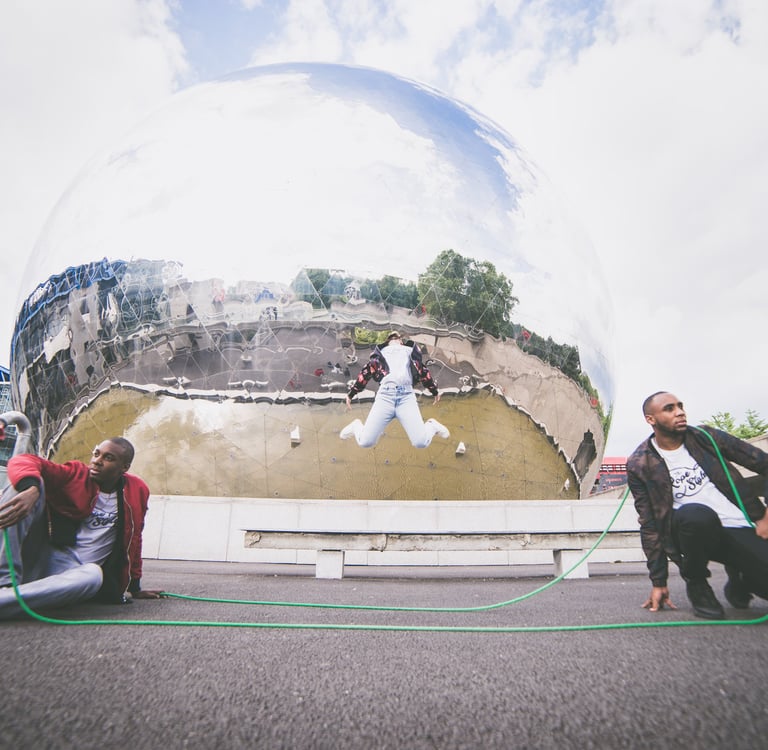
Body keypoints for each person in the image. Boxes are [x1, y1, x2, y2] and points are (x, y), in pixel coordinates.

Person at [626, 391, 768, 619]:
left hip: (743, 526)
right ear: (650, 419)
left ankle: (741, 582)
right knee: (696, 515)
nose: (680, 412)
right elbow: (650, 524)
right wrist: (658, 581)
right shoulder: (640, 463)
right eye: (669, 408)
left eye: (680, 406)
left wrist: (766, 515)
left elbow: (764, 463)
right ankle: (697, 584)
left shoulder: (706, 437)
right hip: (693, 531)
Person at [0, 428, 162, 619]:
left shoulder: (137, 490)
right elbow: (23, 460)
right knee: (24, 485)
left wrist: (135, 586)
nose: (97, 461)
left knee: (94, 575)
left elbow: (135, 538)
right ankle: (4, 583)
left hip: (73, 574)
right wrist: (31, 487)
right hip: (45, 555)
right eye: (96, 454)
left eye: (108, 458)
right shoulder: (76, 474)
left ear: (124, 467)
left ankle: (7, 601)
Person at [340, 331, 450, 448]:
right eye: (392, 337)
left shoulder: (410, 353)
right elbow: (365, 374)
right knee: (365, 442)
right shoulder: (379, 355)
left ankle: (431, 425)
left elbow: (423, 373)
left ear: (401, 342)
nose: (395, 339)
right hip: (385, 397)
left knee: (420, 442)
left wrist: (434, 391)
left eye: (397, 337)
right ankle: (356, 426)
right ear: (388, 342)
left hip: (406, 397)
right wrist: (351, 394)